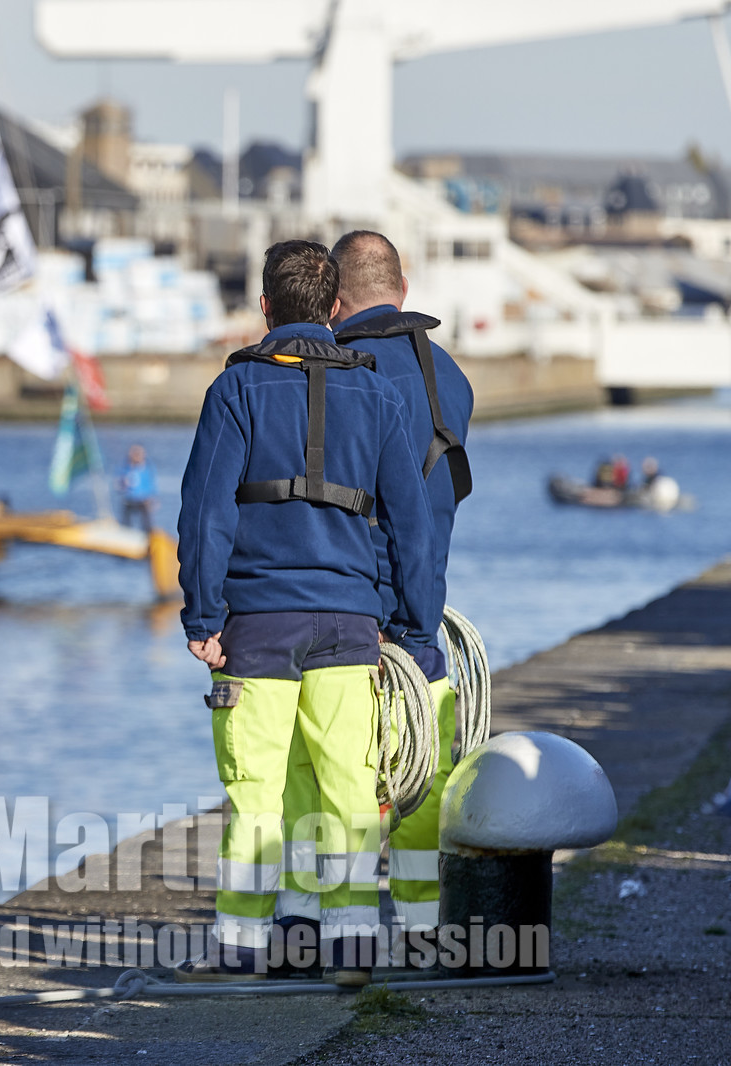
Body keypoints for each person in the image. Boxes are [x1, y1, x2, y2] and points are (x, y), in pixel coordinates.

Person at [176, 240, 439, 986]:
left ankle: (241, 945)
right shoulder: (378, 394)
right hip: (352, 624)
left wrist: (203, 617)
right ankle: (353, 946)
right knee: (351, 789)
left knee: (256, 790)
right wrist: (412, 627)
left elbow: (204, 513)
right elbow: (410, 526)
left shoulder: (235, 390)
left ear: (264, 307)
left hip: (257, 624)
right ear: (333, 309)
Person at [331, 230, 475, 961]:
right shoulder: (452, 377)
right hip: (427, 617)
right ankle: (423, 926)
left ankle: (345, 931)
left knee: (346, 777)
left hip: (357, 614)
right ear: (404, 289)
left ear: (333, 299)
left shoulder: (342, 372)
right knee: (425, 781)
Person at [117, 445, 157, 531]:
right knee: (126, 522)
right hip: (129, 500)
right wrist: (122, 484)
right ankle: (125, 533)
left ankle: (149, 534)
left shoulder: (147, 468)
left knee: (147, 521)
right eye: (134, 453)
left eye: (138, 453)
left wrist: (152, 499)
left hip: (143, 500)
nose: (136, 456)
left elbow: (152, 485)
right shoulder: (126, 468)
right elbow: (119, 485)